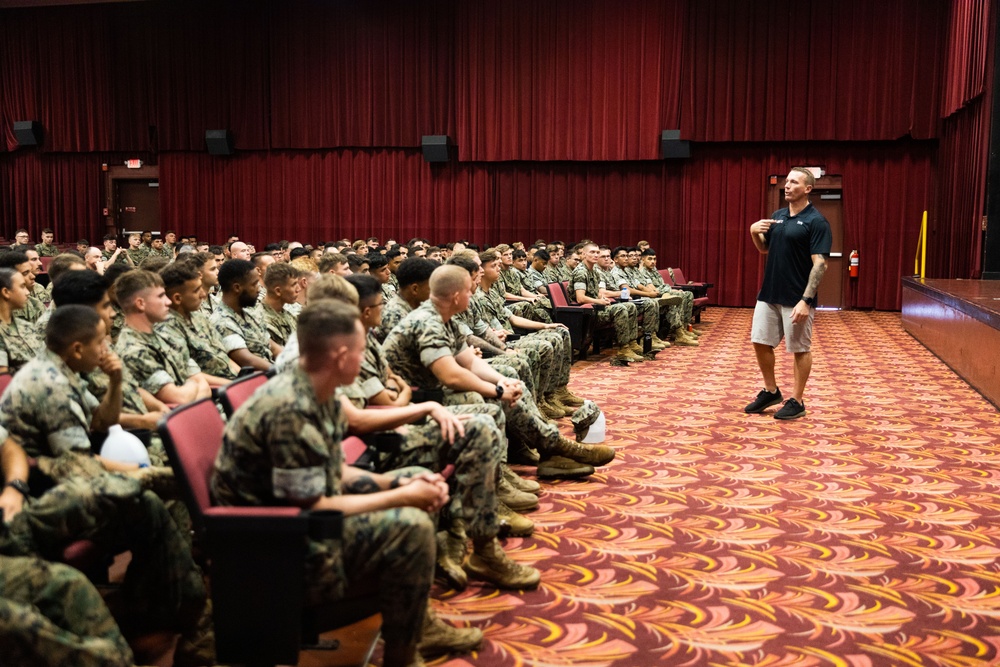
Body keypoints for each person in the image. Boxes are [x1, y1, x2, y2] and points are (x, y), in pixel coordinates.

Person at [212, 299, 450, 667]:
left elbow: (333, 471)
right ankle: (403, 656)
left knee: (411, 477)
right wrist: (403, 496)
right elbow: (314, 505)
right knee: (412, 525)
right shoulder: (289, 408)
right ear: (340, 355)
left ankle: (413, 626)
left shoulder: (317, 390)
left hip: (294, 515)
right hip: (273, 543)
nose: (365, 357)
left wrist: (398, 485)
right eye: (360, 350)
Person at [745, 167, 832, 420]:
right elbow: (764, 250)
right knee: (760, 341)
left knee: (799, 348)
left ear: (807, 189)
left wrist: (806, 301)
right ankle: (771, 391)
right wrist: (753, 232)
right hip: (769, 293)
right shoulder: (778, 216)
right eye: (786, 181)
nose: (787, 185)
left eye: (794, 182)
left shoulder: (817, 221)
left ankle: (797, 400)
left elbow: (820, 264)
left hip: (797, 297)